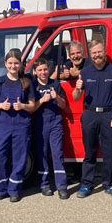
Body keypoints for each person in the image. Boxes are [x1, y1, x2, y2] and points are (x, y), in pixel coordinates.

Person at [72, 40, 112, 198]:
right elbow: (76, 98)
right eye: (94, 53)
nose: (97, 55)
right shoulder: (85, 72)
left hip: (109, 115)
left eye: (99, 52)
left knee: (110, 151)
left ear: (104, 52)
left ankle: (109, 184)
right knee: (89, 151)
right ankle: (86, 184)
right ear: (90, 54)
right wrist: (77, 88)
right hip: (90, 115)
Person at [0, 49, 35, 202]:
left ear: (21, 64)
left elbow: (32, 106)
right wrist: (0, 106)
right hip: (3, 124)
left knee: (19, 158)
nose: (13, 66)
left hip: (21, 125)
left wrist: (22, 106)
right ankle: (1, 189)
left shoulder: (26, 82)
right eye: (10, 63)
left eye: (16, 63)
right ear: (5, 64)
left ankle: (14, 189)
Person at [32, 58, 68, 199]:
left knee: (57, 153)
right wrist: (42, 100)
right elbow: (31, 108)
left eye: (45, 69)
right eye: (40, 70)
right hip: (40, 124)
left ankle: (62, 186)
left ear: (49, 70)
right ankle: (44, 184)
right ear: (35, 72)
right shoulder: (33, 86)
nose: (43, 72)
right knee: (42, 153)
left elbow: (64, 105)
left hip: (55, 123)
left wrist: (56, 97)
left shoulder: (55, 84)